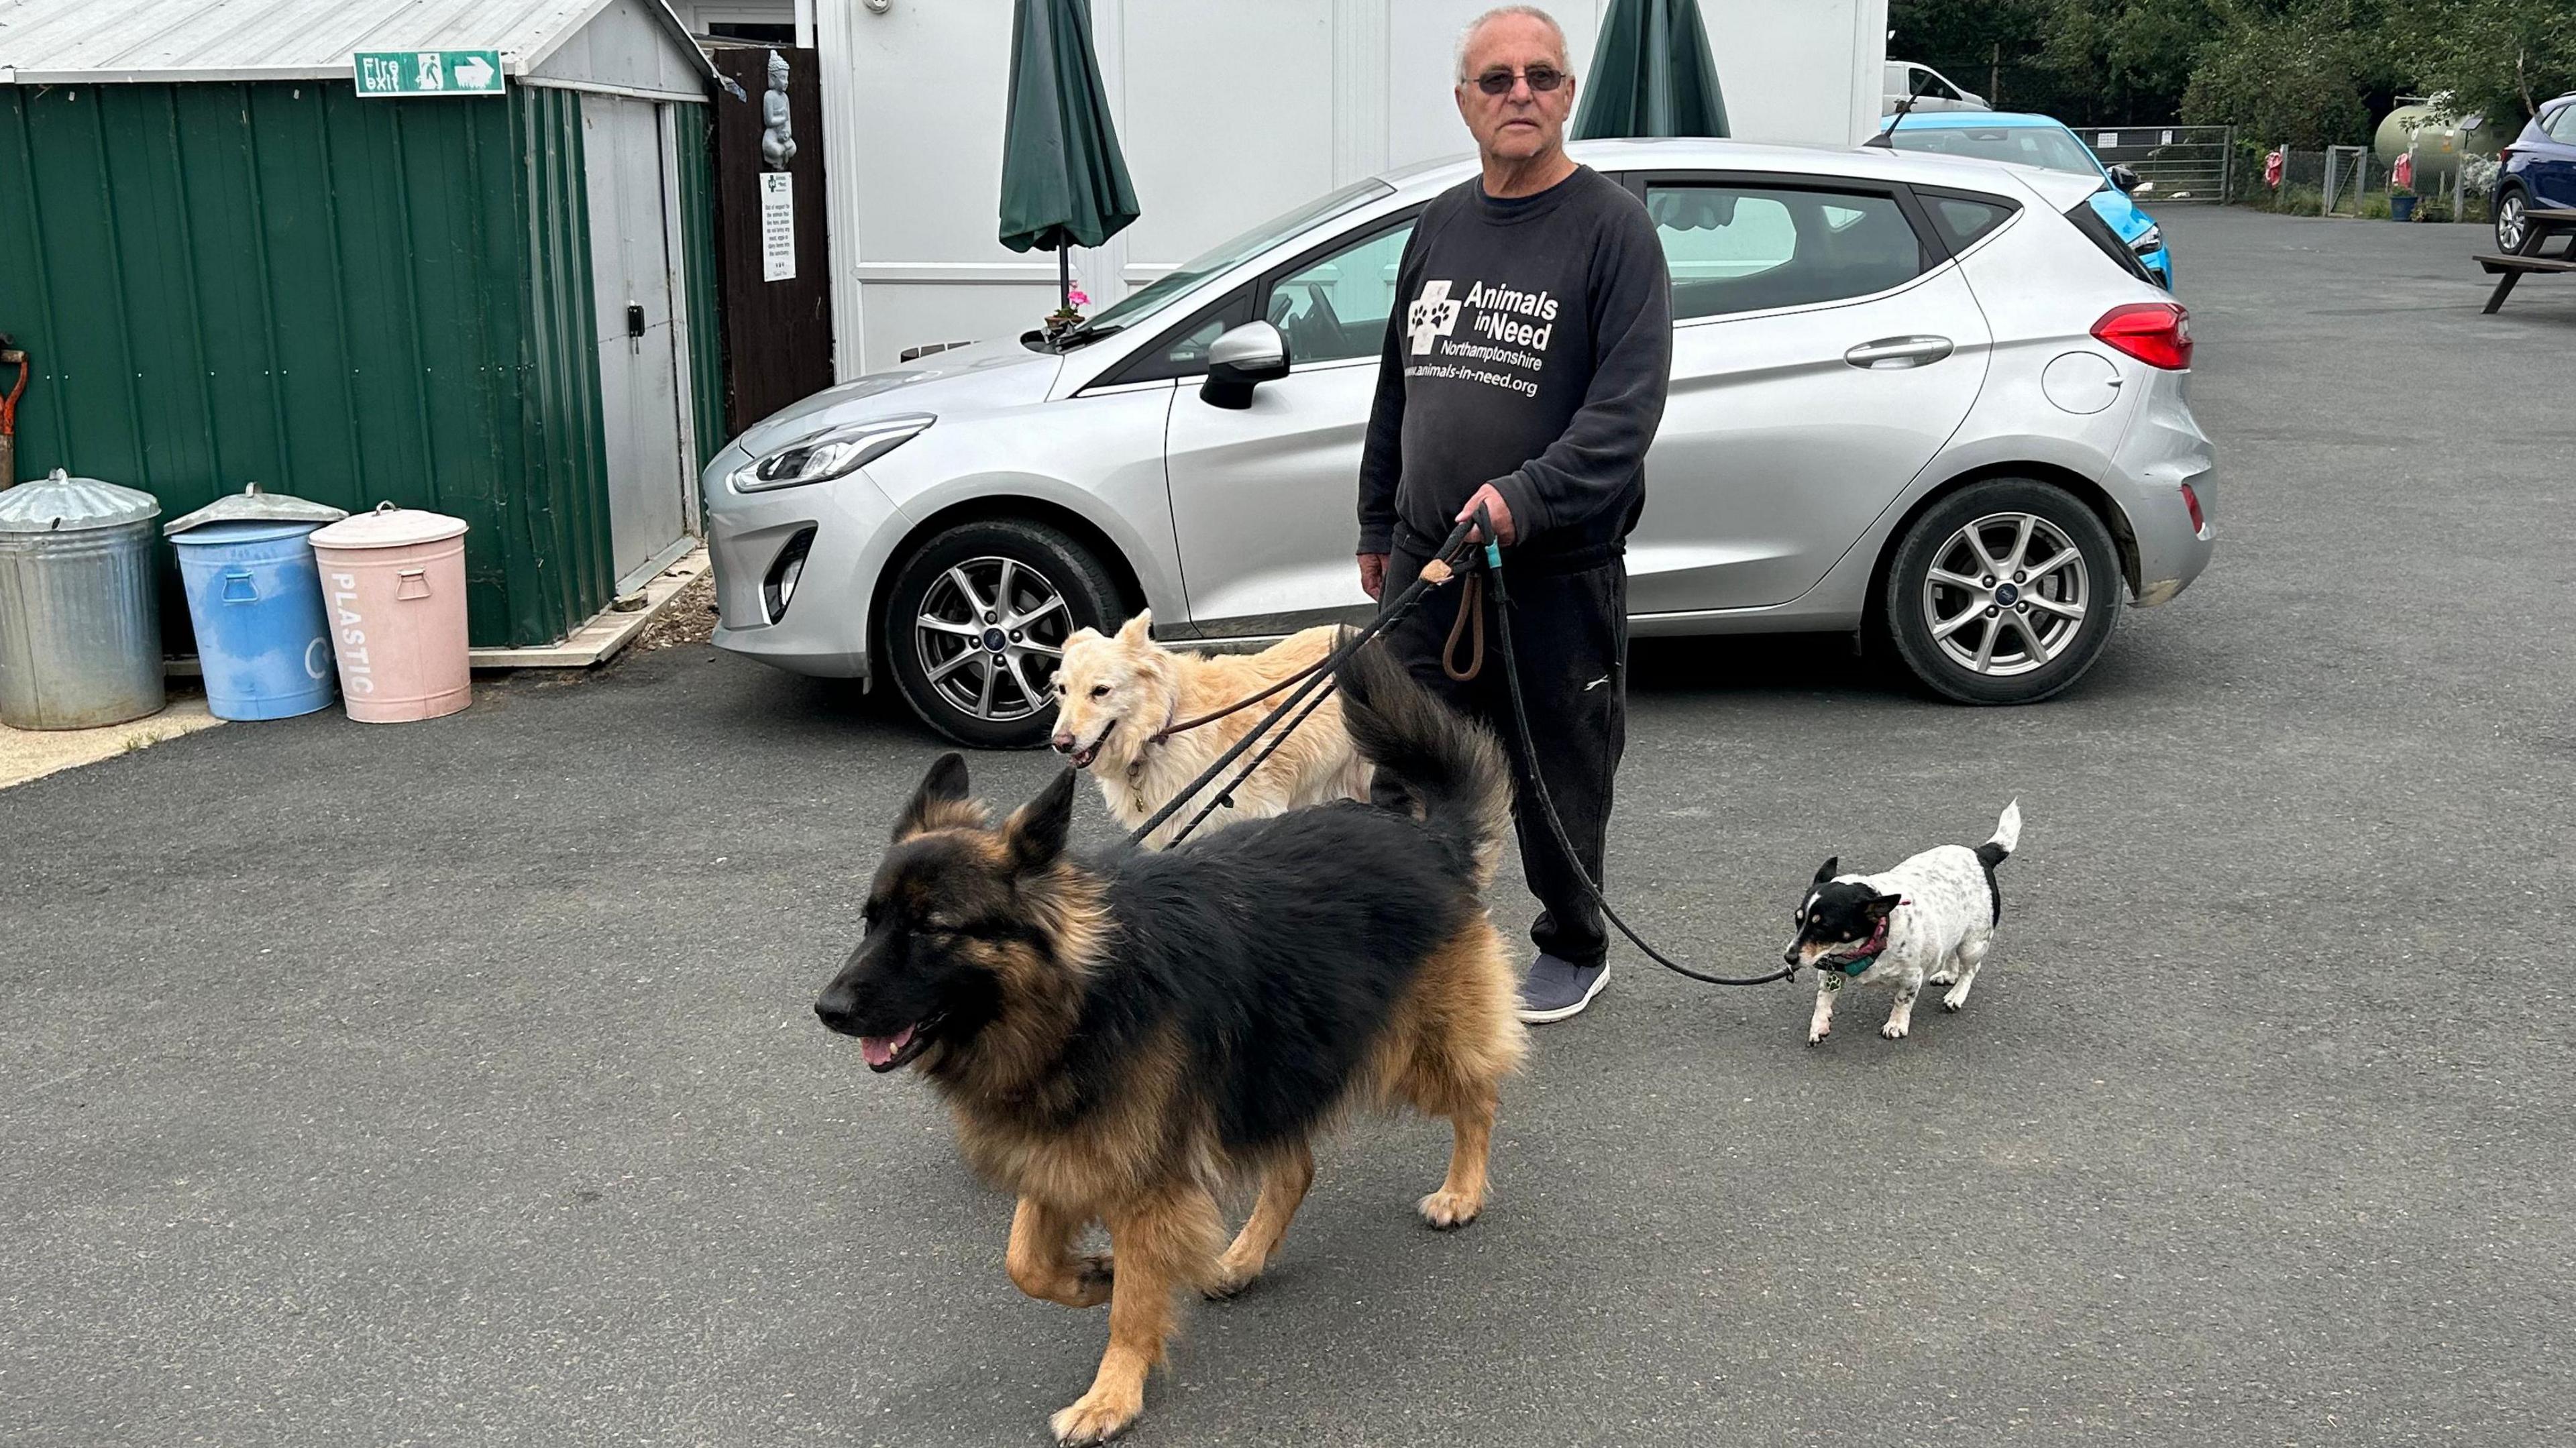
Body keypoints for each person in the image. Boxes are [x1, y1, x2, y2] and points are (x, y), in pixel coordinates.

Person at [1356, 4, 1672, 1025]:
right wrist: (1376, 522)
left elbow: (1624, 415)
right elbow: (1397, 388)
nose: (1520, 93)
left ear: (1568, 94)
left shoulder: (1613, 230)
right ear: (1465, 104)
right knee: (1404, 761)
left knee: (1556, 773)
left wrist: (1525, 496)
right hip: (1428, 561)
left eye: (1540, 76)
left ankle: (1574, 946)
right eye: (1497, 80)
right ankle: (1407, 937)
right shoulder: (1439, 224)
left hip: (1553, 564)